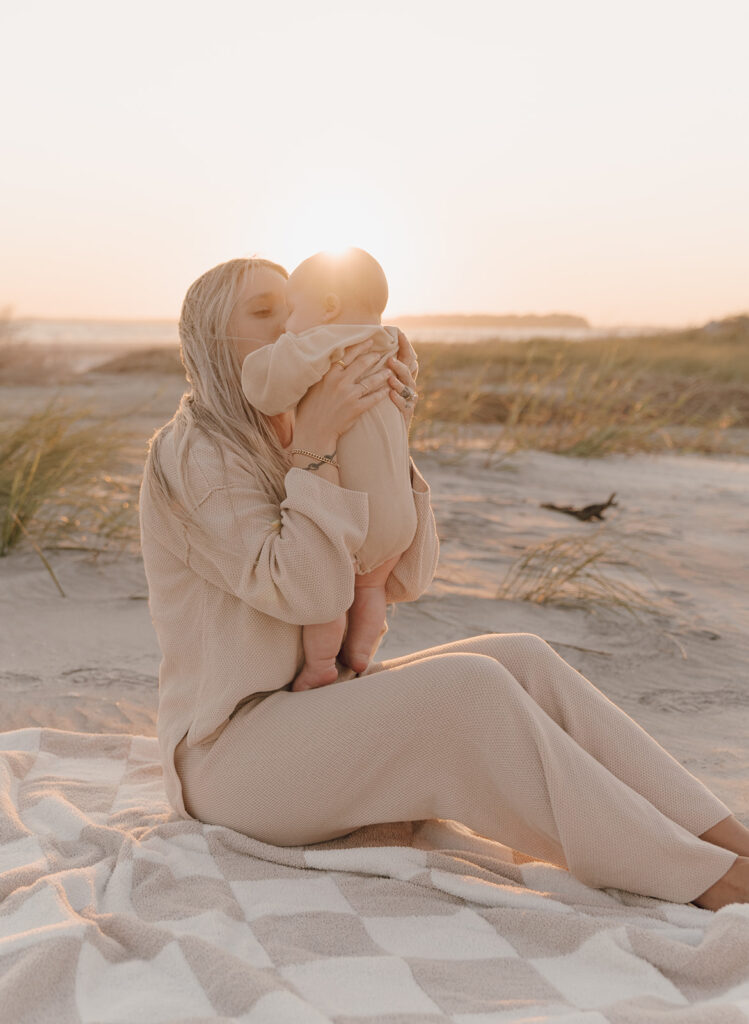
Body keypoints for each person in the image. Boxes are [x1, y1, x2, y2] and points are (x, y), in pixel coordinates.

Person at [138, 256, 749, 912]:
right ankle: (702, 879)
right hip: (230, 761)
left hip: (310, 720)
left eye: (293, 307)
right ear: (211, 336)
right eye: (264, 313)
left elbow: (406, 574)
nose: (291, 324)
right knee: (467, 690)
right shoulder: (193, 452)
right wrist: (314, 445)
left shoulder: (286, 435)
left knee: (518, 656)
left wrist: (386, 434)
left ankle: (725, 840)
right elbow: (308, 594)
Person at [240, 247, 418, 691]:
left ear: (330, 307)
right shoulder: (392, 343)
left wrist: (275, 354)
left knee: (333, 591)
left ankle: (321, 664)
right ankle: (359, 656)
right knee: (369, 588)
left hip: (357, 512)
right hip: (400, 516)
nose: (285, 325)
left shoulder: (326, 341)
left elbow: (268, 389)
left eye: (292, 310)